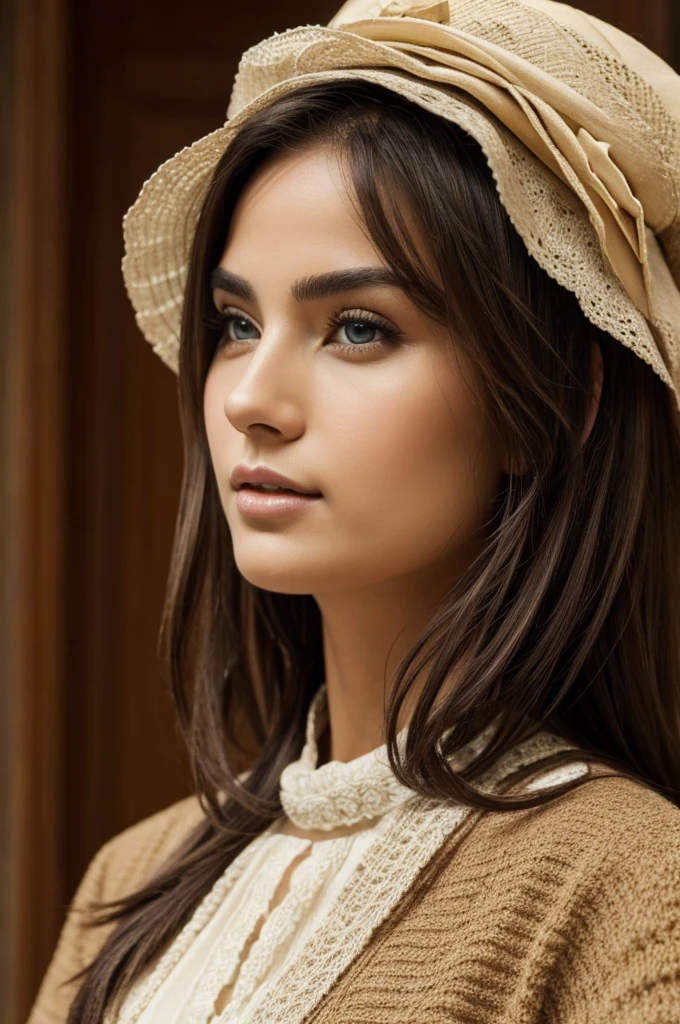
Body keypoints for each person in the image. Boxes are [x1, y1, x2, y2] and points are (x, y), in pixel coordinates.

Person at [27, 1, 680, 1022]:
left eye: (359, 327)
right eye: (237, 323)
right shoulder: (129, 885)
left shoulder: (631, 890)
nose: (249, 397)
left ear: (555, 400)